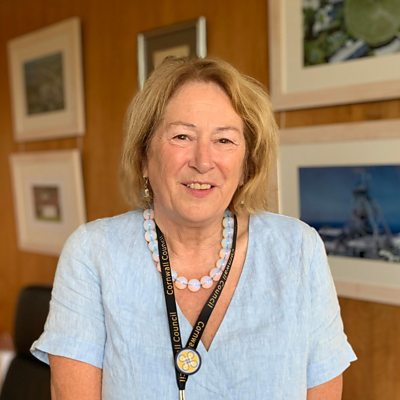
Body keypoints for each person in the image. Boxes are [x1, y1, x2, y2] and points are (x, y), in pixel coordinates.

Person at [31, 56, 356, 399]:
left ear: (246, 165)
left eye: (224, 140)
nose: (202, 161)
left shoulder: (298, 249)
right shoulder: (93, 253)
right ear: (144, 157)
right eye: (182, 136)